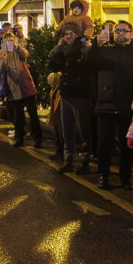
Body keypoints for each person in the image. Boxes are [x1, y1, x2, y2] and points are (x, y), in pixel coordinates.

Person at [88, 20, 133, 189]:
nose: (121, 33)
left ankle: (125, 178)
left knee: (127, 144)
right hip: (106, 103)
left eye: (125, 31)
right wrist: (96, 45)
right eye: (118, 30)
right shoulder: (104, 50)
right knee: (104, 142)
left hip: (129, 105)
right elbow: (89, 63)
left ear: (131, 34)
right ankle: (103, 176)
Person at [49, 23, 94, 174]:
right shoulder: (63, 50)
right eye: (66, 34)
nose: (68, 37)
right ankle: (68, 161)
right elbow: (53, 66)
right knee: (66, 130)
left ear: (77, 35)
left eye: (71, 34)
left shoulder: (83, 49)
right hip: (66, 94)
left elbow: (90, 68)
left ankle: (85, 161)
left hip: (80, 95)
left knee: (84, 131)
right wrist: (58, 48)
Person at [0, 31, 42, 148]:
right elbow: (3, 69)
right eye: (6, 39)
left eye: (11, 39)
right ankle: (20, 138)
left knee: (33, 115)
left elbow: (26, 55)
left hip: (27, 86)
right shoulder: (2, 53)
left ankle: (37, 139)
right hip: (14, 88)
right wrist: (4, 58)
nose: (9, 41)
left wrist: (16, 46)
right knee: (18, 117)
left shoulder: (19, 50)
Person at [46, 72, 64, 160]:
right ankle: (58, 152)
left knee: (60, 136)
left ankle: (61, 153)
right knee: (57, 136)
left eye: (50, 81)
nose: (49, 83)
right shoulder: (53, 91)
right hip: (55, 117)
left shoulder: (59, 92)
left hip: (59, 118)